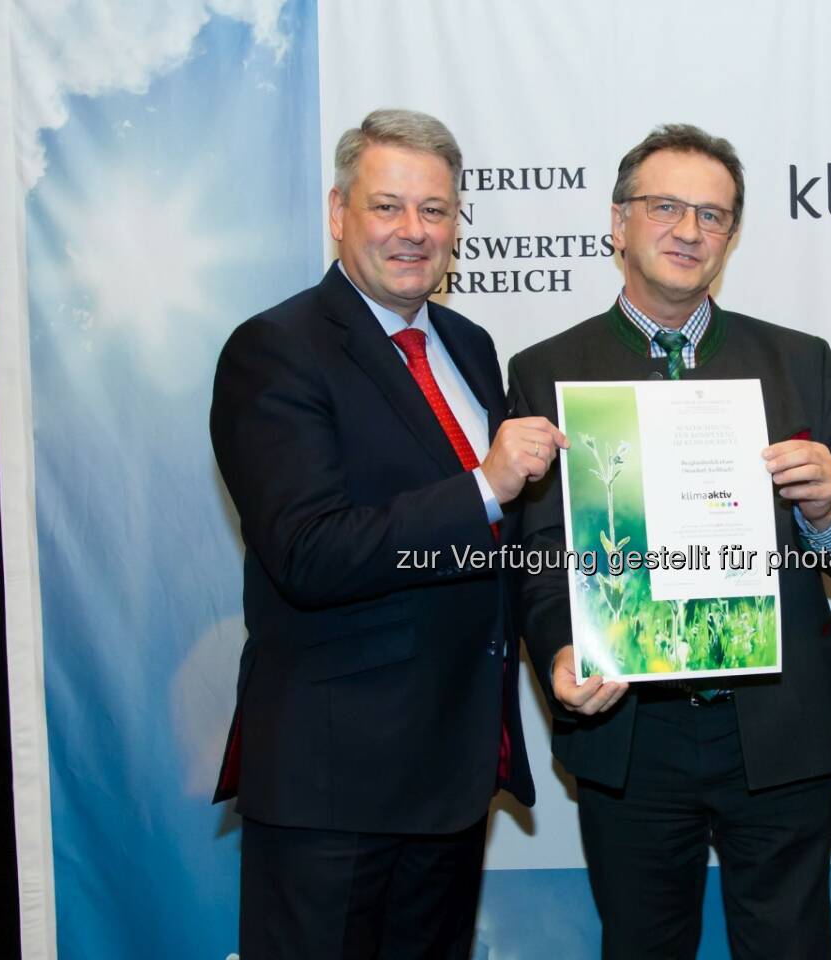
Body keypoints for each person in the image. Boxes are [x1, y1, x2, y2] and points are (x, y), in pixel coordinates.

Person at [508, 124, 831, 960]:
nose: (689, 230)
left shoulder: (798, 361)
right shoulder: (546, 371)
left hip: (779, 728)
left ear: (732, 236)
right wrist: (562, 650)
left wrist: (828, 509)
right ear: (618, 224)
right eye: (666, 207)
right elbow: (538, 558)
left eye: (712, 215)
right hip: (633, 733)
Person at [209, 108, 564, 959]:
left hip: (452, 774)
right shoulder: (275, 349)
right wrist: (481, 486)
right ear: (338, 213)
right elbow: (308, 552)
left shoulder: (471, 346)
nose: (414, 232)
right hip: (333, 785)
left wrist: (571, 639)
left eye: (435, 211)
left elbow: (505, 548)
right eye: (388, 206)